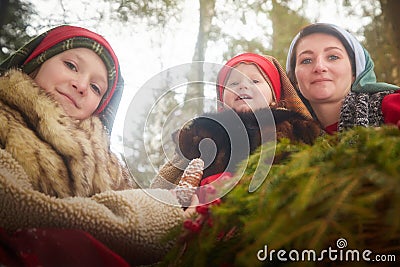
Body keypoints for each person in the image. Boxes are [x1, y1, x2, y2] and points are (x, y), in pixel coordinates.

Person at [0, 25, 199, 266]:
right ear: (37, 61)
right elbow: (14, 208)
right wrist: (159, 216)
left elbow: (143, 221)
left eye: (96, 88)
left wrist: (178, 202)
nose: (81, 86)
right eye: (71, 66)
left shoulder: (109, 167)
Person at [151, 52, 318, 189]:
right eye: (234, 83)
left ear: (274, 98)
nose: (243, 86)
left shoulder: (294, 127)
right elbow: (167, 181)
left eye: (255, 81)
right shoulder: (200, 135)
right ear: (222, 102)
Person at [286, 23, 400, 134]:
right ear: (295, 79)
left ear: (354, 72)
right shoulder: (289, 132)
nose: (319, 67)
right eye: (306, 60)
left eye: (333, 57)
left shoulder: (389, 105)